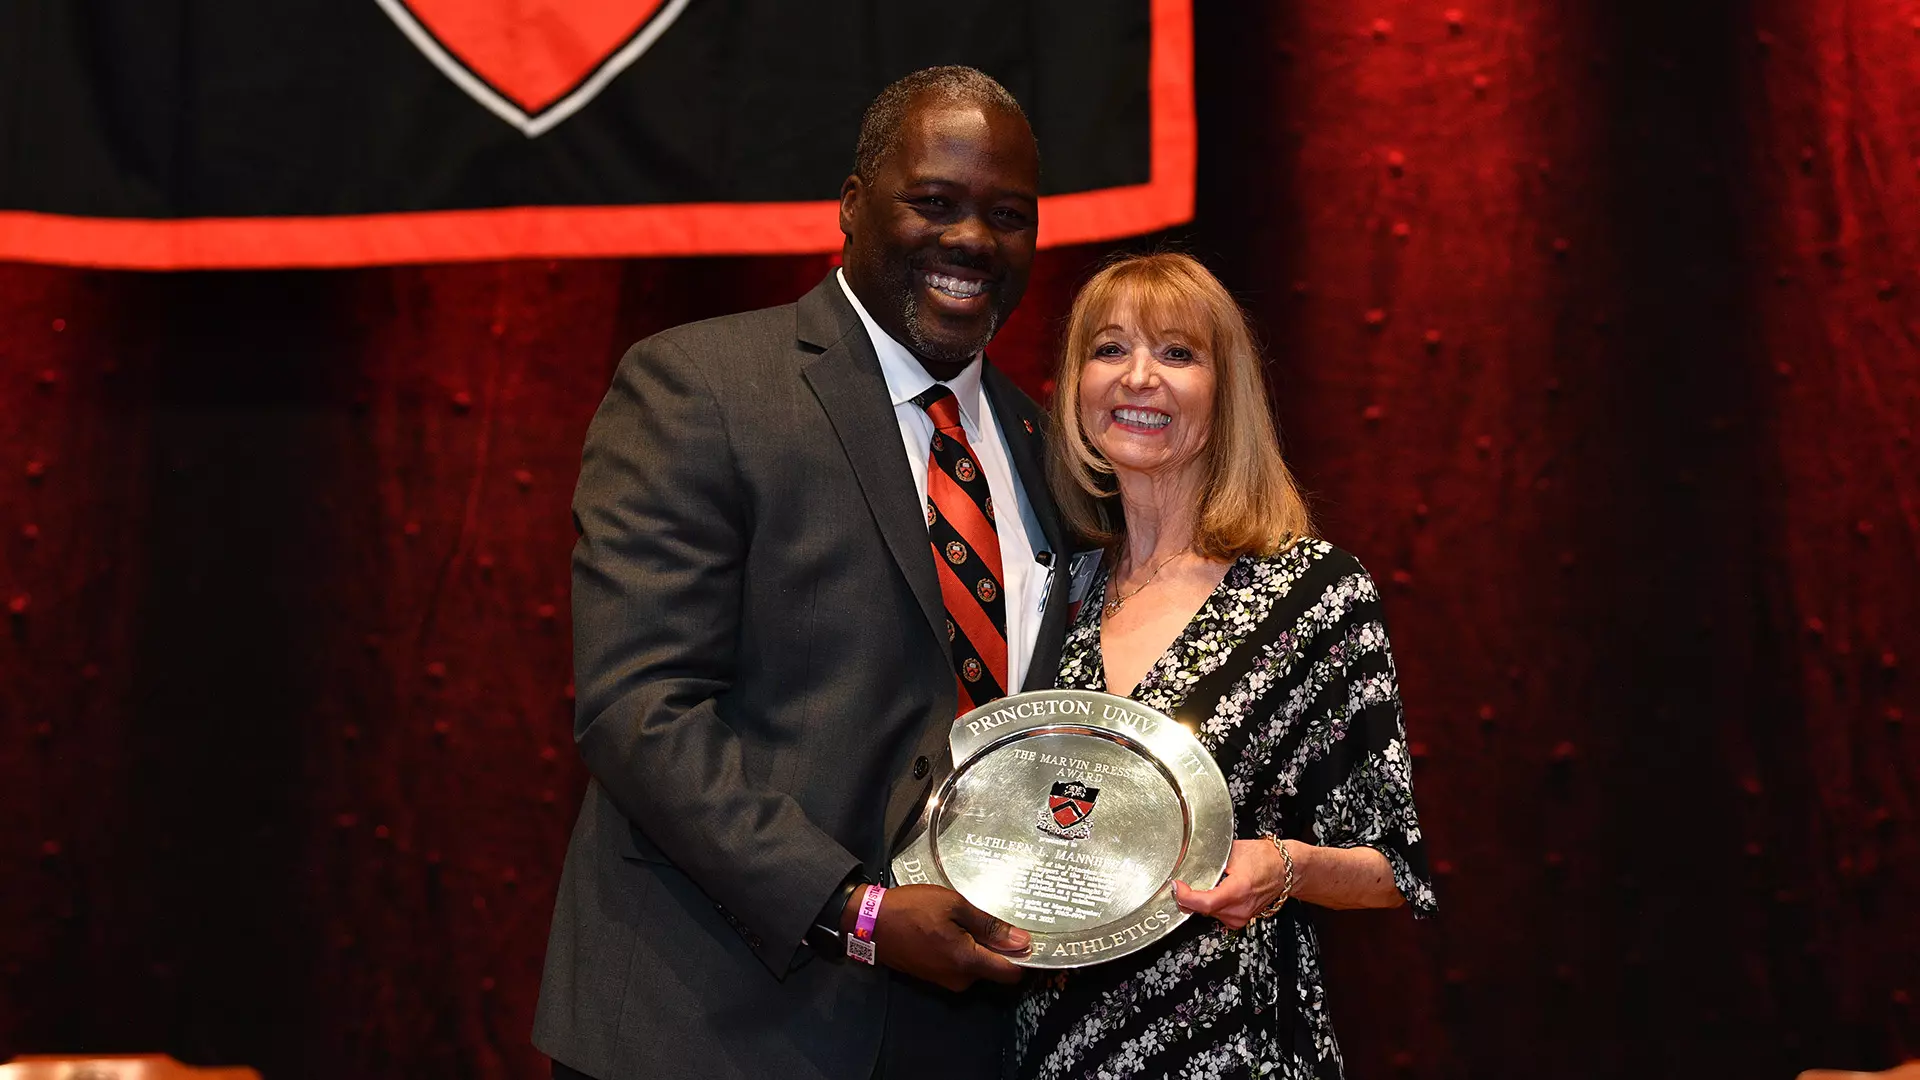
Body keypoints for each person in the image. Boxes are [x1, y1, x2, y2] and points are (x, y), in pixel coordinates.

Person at [534, 67, 1078, 1080]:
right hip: (710, 1024)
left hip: (958, 1035)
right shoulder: (700, 385)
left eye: (1008, 216)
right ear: (851, 203)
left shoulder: (1051, 449)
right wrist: (852, 911)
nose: (972, 239)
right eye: (935, 202)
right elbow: (638, 708)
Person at [1009, 253, 1437, 1079]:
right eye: (1109, 349)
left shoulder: (1313, 594)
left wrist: (1284, 866)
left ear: (1225, 391)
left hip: (1235, 1049)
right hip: (1050, 1048)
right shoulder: (1052, 591)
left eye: (1177, 353)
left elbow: (1395, 867)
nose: (1138, 377)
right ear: (1075, 388)